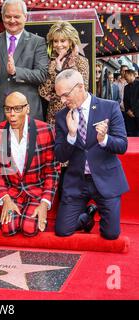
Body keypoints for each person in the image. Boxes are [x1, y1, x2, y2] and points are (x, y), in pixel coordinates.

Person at [54, 69, 129, 240]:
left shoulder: (109, 107)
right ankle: (86, 216)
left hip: (105, 179)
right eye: (60, 96)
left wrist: (104, 139)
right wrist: (71, 136)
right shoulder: (61, 117)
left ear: (80, 87)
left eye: (65, 95)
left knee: (110, 234)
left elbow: (122, 145)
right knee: (62, 231)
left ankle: (104, 215)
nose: (62, 100)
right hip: (77, 182)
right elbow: (60, 156)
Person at [0, 92, 60, 235]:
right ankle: (17, 216)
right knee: (9, 229)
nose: (12, 114)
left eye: (17, 108)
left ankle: (26, 216)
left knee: (29, 229)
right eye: (8, 109)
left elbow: (52, 171)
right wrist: (6, 199)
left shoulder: (45, 130)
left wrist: (45, 203)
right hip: (13, 192)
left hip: (36, 192)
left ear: (27, 109)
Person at [0, 0, 48, 127]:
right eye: (8, 16)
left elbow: (42, 75)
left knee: (28, 147)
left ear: (25, 17)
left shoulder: (37, 42)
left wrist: (16, 72)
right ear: (2, 17)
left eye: (16, 16)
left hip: (26, 111)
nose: (12, 20)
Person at [39, 21, 89, 126]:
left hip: (76, 115)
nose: (59, 45)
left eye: (63, 41)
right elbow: (43, 92)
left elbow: (82, 90)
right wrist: (57, 70)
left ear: (70, 42)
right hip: (54, 118)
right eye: (55, 41)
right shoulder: (50, 62)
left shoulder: (81, 61)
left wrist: (71, 65)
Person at [123, 69, 139, 136]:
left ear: (131, 75)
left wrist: (134, 111)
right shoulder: (126, 87)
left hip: (138, 114)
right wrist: (127, 110)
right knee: (130, 134)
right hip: (129, 116)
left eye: (126, 76)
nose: (125, 77)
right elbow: (125, 100)